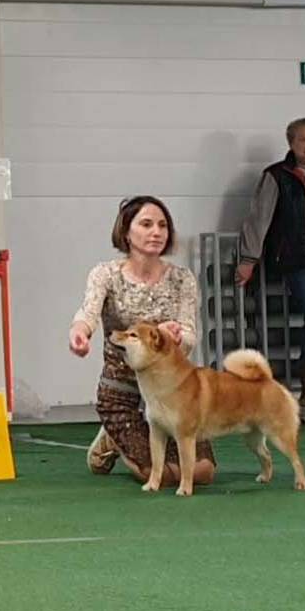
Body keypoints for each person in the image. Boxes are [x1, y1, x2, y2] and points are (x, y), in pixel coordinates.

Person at [68, 195, 216, 485]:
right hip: (121, 392)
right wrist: (79, 333)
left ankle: (119, 439)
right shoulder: (105, 274)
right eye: (146, 224)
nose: (156, 232)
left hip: (172, 393)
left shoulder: (182, 279)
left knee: (202, 472)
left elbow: (189, 336)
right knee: (157, 476)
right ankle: (113, 436)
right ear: (126, 232)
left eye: (162, 225)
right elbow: (88, 313)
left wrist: (174, 338)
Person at [235, 117, 305, 408]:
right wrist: (248, 259)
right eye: (303, 140)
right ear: (291, 144)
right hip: (301, 261)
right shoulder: (277, 175)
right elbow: (259, 219)